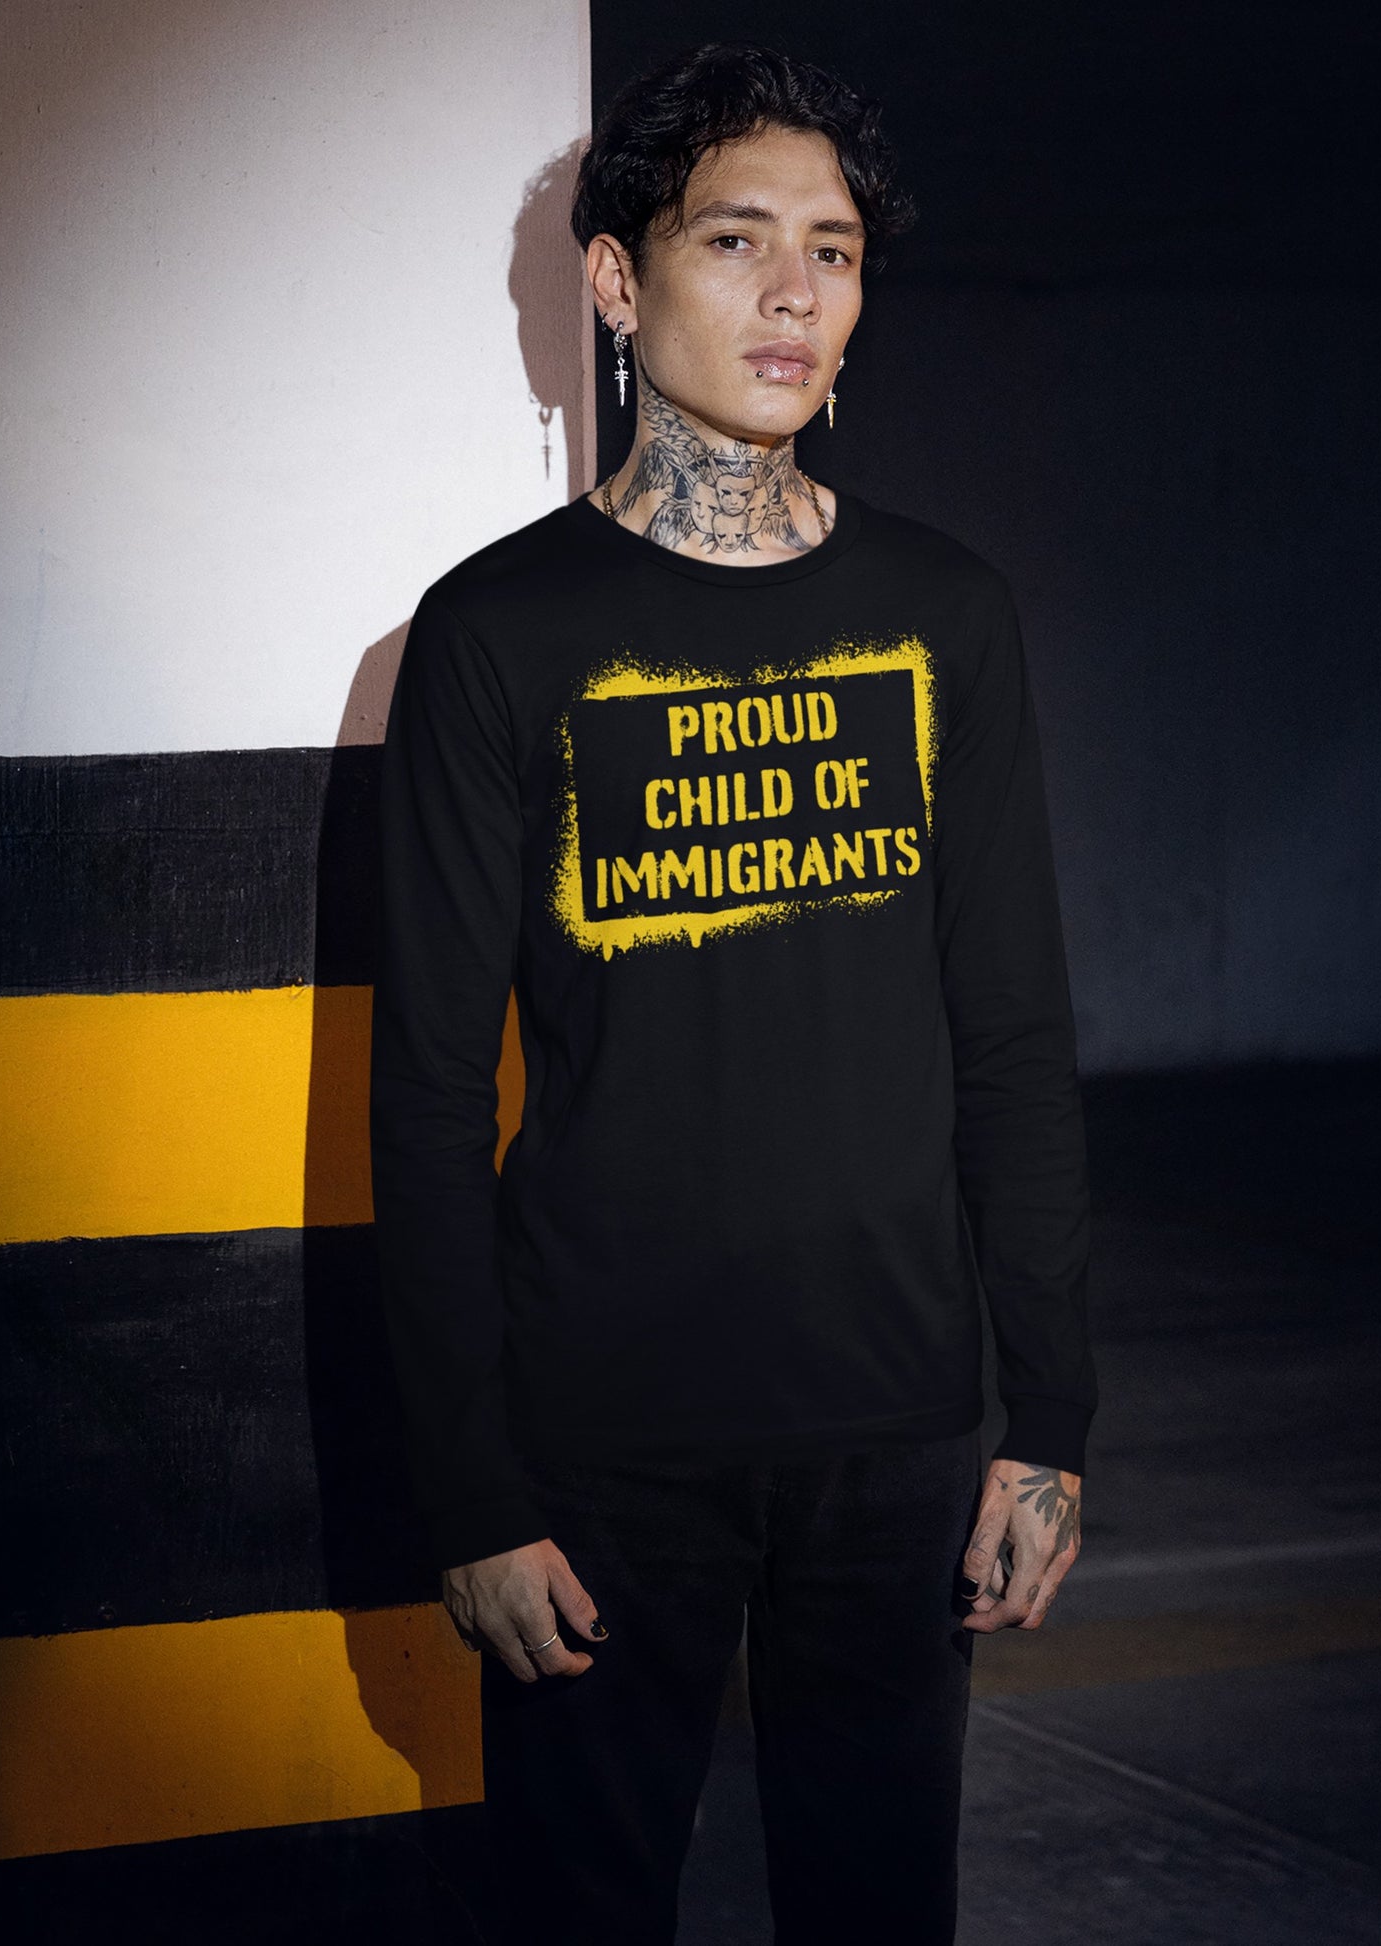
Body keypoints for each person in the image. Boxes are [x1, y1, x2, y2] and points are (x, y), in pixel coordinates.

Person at [369, 41, 1095, 1946]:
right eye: (738, 240)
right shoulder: (492, 635)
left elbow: (1012, 1036)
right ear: (617, 280)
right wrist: (469, 1485)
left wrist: (1049, 1414)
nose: (794, 294)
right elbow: (432, 1092)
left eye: (835, 252)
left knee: (877, 1910)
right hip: (604, 1445)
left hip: (896, 1427)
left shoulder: (947, 614)